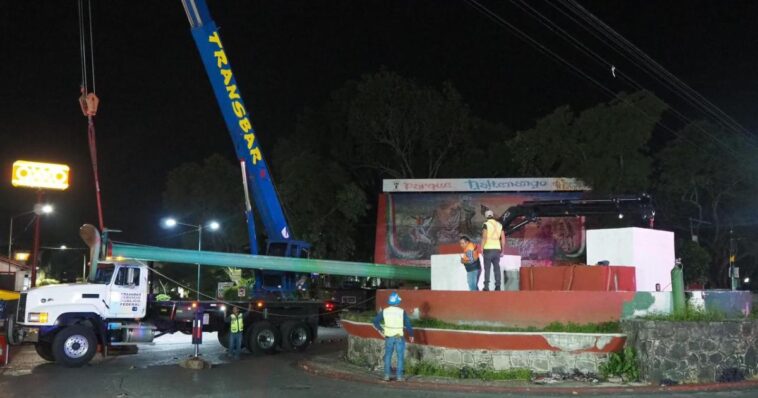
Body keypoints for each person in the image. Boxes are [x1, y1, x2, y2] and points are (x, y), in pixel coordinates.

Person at [372, 292, 414, 382]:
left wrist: (381, 329)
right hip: (399, 337)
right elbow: (408, 324)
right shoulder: (401, 311)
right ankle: (399, 377)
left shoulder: (385, 311)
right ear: (397, 302)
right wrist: (411, 335)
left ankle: (386, 376)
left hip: (388, 337)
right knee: (400, 357)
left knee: (388, 356)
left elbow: (375, 321)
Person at [481, 209, 506, 291]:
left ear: (486, 216)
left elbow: (484, 238)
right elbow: (503, 239)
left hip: (488, 249)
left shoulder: (486, 224)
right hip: (497, 249)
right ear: (493, 215)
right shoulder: (499, 225)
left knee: (487, 269)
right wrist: (503, 251)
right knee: (497, 268)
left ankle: (486, 287)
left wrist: (481, 248)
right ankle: (498, 286)